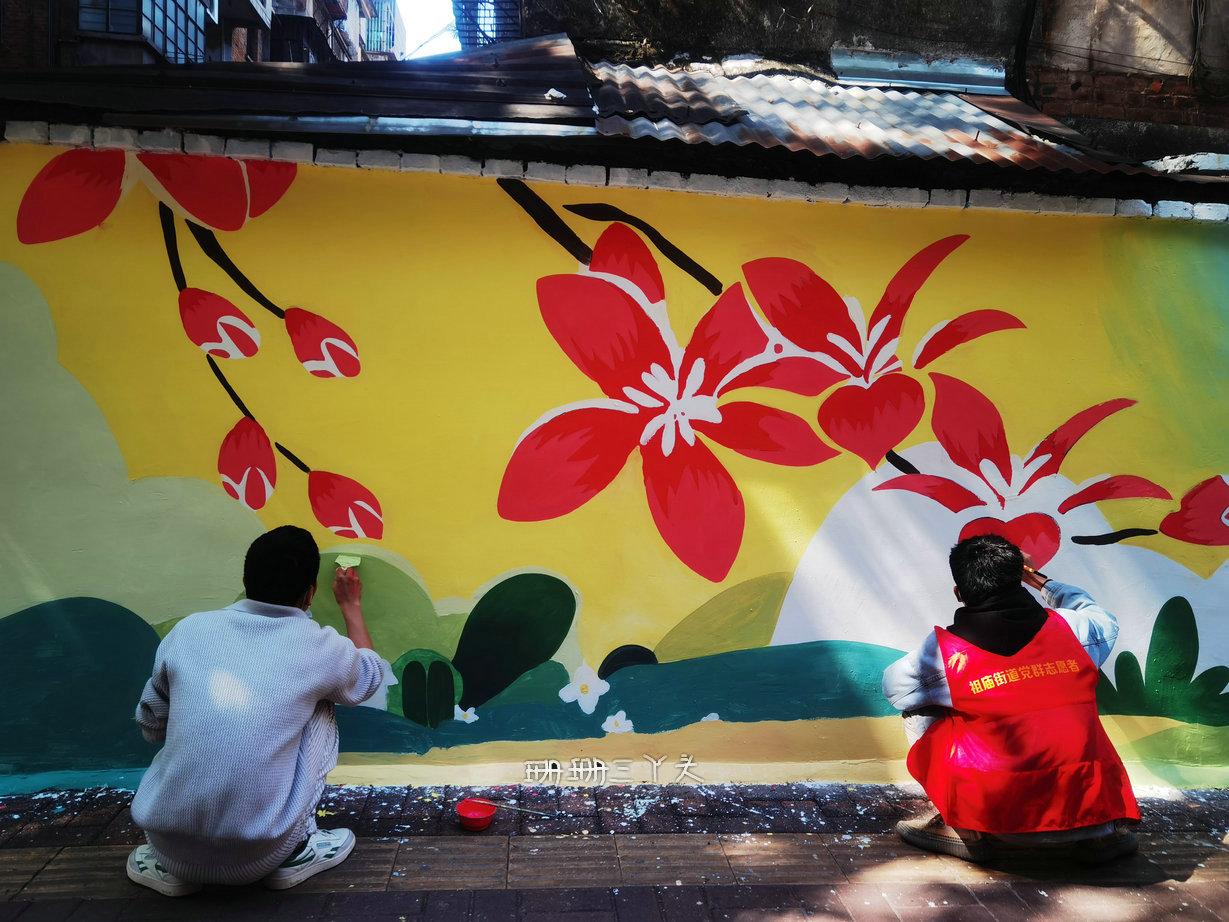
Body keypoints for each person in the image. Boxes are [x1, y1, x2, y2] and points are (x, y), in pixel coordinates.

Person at [125, 525, 387, 896]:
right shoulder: (317, 645)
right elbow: (369, 677)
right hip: (262, 853)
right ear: (310, 592)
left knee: (184, 711)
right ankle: (298, 851)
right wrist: (350, 606)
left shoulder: (189, 630)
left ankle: (171, 867)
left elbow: (151, 722)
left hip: (168, 846)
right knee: (322, 704)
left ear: (246, 579)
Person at [882, 534, 1140, 864]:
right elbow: (1096, 611)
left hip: (1001, 823)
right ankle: (1102, 837)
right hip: (1092, 817)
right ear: (1019, 579)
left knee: (918, 708)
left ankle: (965, 828)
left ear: (959, 594)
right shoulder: (1074, 630)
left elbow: (894, 688)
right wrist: (1039, 579)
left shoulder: (945, 653)